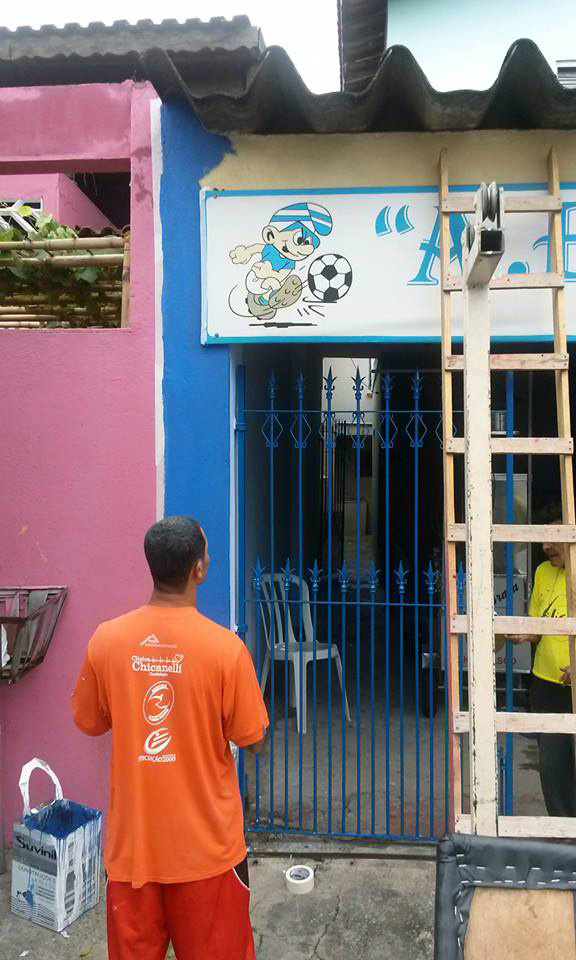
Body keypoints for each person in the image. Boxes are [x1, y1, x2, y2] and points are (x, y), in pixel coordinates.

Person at [72, 517, 268, 960]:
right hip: (209, 855)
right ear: (198, 569)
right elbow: (253, 740)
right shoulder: (226, 650)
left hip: (133, 856)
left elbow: (90, 722)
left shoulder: (107, 641)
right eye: (207, 553)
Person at [509, 522, 576, 817]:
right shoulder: (542, 571)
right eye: (543, 540)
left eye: (552, 539)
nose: (545, 546)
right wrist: (526, 633)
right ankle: (563, 831)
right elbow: (538, 623)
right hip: (546, 684)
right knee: (553, 767)